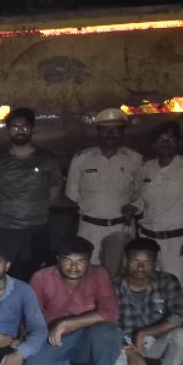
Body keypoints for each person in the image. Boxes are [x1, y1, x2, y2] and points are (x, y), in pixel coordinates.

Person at [23, 236, 123, 365]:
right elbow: (32, 318)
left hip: (88, 337)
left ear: (89, 261)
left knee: (109, 332)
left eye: (80, 261)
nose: (74, 267)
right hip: (56, 339)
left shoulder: (99, 274)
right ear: (58, 259)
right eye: (67, 260)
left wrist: (65, 324)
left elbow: (110, 312)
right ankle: (66, 364)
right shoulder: (42, 277)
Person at [0, 108, 64, 280]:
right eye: (15, 126)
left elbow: (54, 193)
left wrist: (32, 208)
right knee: (2, 275)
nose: (20, 130)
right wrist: (10, 210)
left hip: (36, 229)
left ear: (31, 128)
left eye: (24, 126)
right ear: (8, 130)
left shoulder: (47, 159)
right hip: (4, 229)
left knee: (36, 276)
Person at [65, 108, 143, 278]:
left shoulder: (135, 159)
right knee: (86, 276)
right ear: (98, 132)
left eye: (115, 130)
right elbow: (72, 193)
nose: (110, 134)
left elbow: (141, 194)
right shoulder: (81, 159)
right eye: (105, 130)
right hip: (89, 229)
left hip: (120, 228)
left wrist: (134, 207)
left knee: (118, 277)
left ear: (123, 132)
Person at [112, 238, 183, 365]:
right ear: (126, 261)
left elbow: (182, 315)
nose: (141, 267)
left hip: (157, 342)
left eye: (146, 262)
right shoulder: (114, 284)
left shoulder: (167, 281)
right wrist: (130, 350)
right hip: (126, 342)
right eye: (135, 261)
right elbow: (110, 323)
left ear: (155, 263)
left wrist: (144, 333)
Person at [133, 121, 183, 288]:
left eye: (170, 139)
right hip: (147, 237)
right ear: (153, 144)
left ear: (178, 142)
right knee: (146, 285)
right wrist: (133, 207)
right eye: (161, 140)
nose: (165, 143)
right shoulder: (146, 167)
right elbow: (141, 199)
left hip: (176, 241)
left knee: (174, 287)